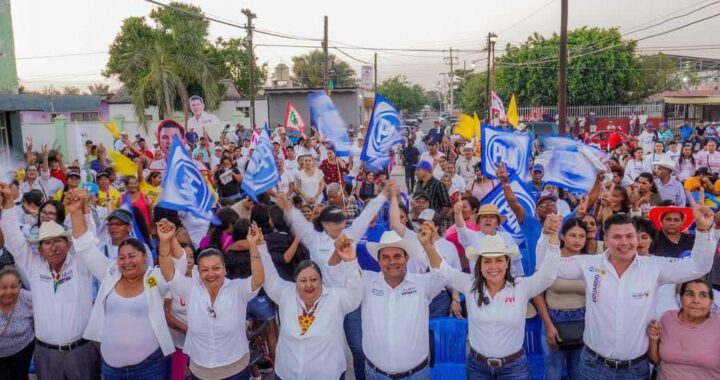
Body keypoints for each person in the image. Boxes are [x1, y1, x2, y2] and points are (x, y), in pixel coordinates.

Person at [536, 202, 719, 380]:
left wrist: (704, 231)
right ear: (606, 239)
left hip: (636, 369)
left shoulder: (655, 267)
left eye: (629, 236)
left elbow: (697, 267)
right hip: (593, 366)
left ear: (636, 238)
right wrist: (546, 235)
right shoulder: (588, 264)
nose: (624, 242)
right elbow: (546, 269)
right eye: (616, 237)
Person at [421, 215, 561, 379]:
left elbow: (548, 275)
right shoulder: (470, 285)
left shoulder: (521, 286)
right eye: (487, 261)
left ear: (507, 263)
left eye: (499, 260)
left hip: (514, 369)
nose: (493, 266)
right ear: (479, 266)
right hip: (477, 368)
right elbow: (443, 270)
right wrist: (427, 245)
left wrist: (551, 237)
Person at [67, 190, 178, 380]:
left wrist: (168, 240)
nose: (126, 262)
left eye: (132, 256)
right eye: (122, 257)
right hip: (112, 370)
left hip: (150, 368)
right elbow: (85, 247)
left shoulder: (152, 279)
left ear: (145, 257)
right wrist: (76, 212)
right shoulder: (111, 275)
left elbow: (175, 270)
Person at [0, 183, 102, 380]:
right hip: (45, 354)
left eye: (58, 241)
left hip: (81, 351)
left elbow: (89, 239)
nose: (53, 247)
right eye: (47, 242)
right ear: (40, 249)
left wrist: (82, 210)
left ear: (69, 243)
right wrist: (9, 205)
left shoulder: (81, 264)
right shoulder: (34, 265)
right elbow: (14, 240)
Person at [157, 219, 264, 380]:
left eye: (216, 268)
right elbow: (168, 273)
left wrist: (254, 246)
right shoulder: (191, 288)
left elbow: (258, 279)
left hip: (235, 370)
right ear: (198, 272)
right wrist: (165, 241)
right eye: (205, 270)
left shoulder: (237, 289)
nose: (211, 274)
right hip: (200, 372)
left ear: (225, 269)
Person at [259, 231, 361, 380]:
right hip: (287, 374)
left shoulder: (335, 298)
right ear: (295, 281)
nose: (308, 285)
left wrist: (351, 262)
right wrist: (261, 247)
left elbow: (355, 294)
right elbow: (269, 276)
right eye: (303, 280)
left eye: (313, 279)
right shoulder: (285, 293)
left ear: (321, 281)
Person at [360, 230, 446, 379]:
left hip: (416, 375)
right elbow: (339, 273)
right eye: (385, 257)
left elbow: (442, 274)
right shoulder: (366, 281)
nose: (392, 261)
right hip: (375, 374)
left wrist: (427, 245)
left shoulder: (422, 283)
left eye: (397, 256)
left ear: (407, 258)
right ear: (378, 261)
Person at [534, 218, 590, 380]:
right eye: (573, 235)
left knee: (578, 373)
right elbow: (538, 293)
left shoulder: (590, 262)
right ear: (563, 237)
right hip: (553, 321)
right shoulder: (551, 258)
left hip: (582, 323)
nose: (577, 240)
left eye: (581, 236)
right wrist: (549, 326)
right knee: (554, 373)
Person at [647, 279, 720, 379]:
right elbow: (655, 360)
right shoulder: (667, 318)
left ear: (711, 301)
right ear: (680, 298)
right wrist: (653, 340)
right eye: (689, 294)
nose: (696, 300)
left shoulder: (717, 325)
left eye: (703, 295)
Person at [0, 267, 34, 380]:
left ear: (20, 285)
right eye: (3, 287)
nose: (9, 291)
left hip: (23, 351)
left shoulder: (28, 299)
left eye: (14, 287)